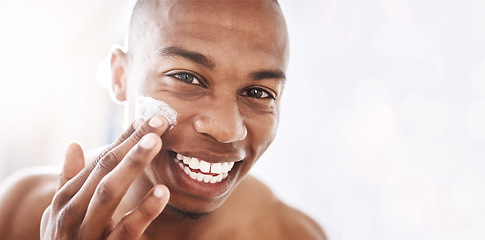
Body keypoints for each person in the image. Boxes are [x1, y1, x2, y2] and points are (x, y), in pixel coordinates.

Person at [0, 0, 326, 239]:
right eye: (186, 77)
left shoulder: (292, 234)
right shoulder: (20, 213)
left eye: (258, 93)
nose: (227, 130)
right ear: (120, 76)